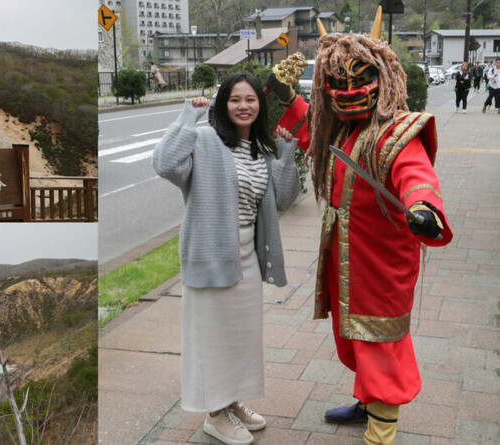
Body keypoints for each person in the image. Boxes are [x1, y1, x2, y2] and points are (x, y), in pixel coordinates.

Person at [266, 7, 453, 445]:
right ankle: (368, 402)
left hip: (381, 259)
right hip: (345, 253)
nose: (349, 90)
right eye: (338, 82)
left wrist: (424, 208)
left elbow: (417, 175)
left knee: (381, 339)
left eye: (360, 78)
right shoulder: (341, 131)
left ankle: (381, 433)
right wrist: (286, 96)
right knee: (354, 335)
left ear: (383, 77)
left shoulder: (398, 131)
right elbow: (311, 135)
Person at [152, 72, 300, 445]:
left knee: (240, 339)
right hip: (210, 256)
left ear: (259, 105)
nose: (243, 106)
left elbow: (283, 200)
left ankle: (232, 402)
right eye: (235, 99)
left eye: (250, 99)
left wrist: (285, 154)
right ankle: (214, 415)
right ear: (222, 104)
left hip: (247, 258)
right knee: (211, 339)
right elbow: (164, 163)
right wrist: (188, 116)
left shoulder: (261, 150)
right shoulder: (203, 141)